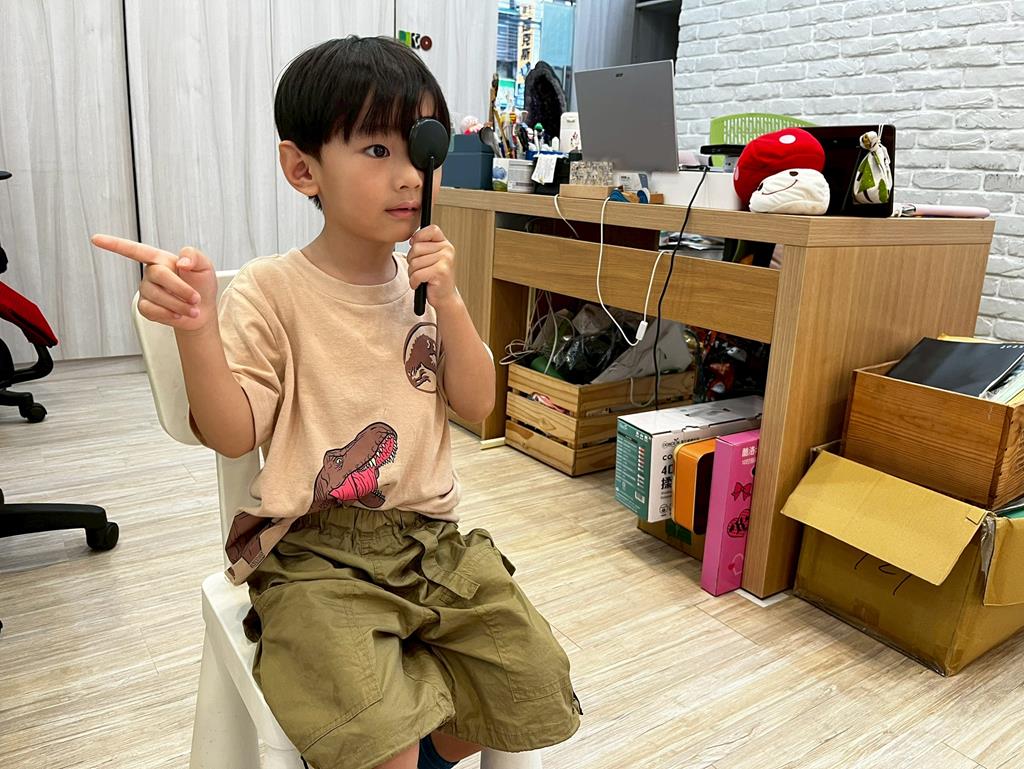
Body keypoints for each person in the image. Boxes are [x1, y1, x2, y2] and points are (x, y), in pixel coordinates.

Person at [92, 35, 580, 769]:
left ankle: (417, 736)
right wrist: (197, 331)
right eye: (376, 150)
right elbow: (233, 433)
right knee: (378, 737)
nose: (408, 175)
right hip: (312, 554)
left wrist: (450, 302)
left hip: (431, 544)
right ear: (303, 169)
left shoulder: (425, 287)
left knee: (529, 683)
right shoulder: (272, 290)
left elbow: (478, 404)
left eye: (419, 148)